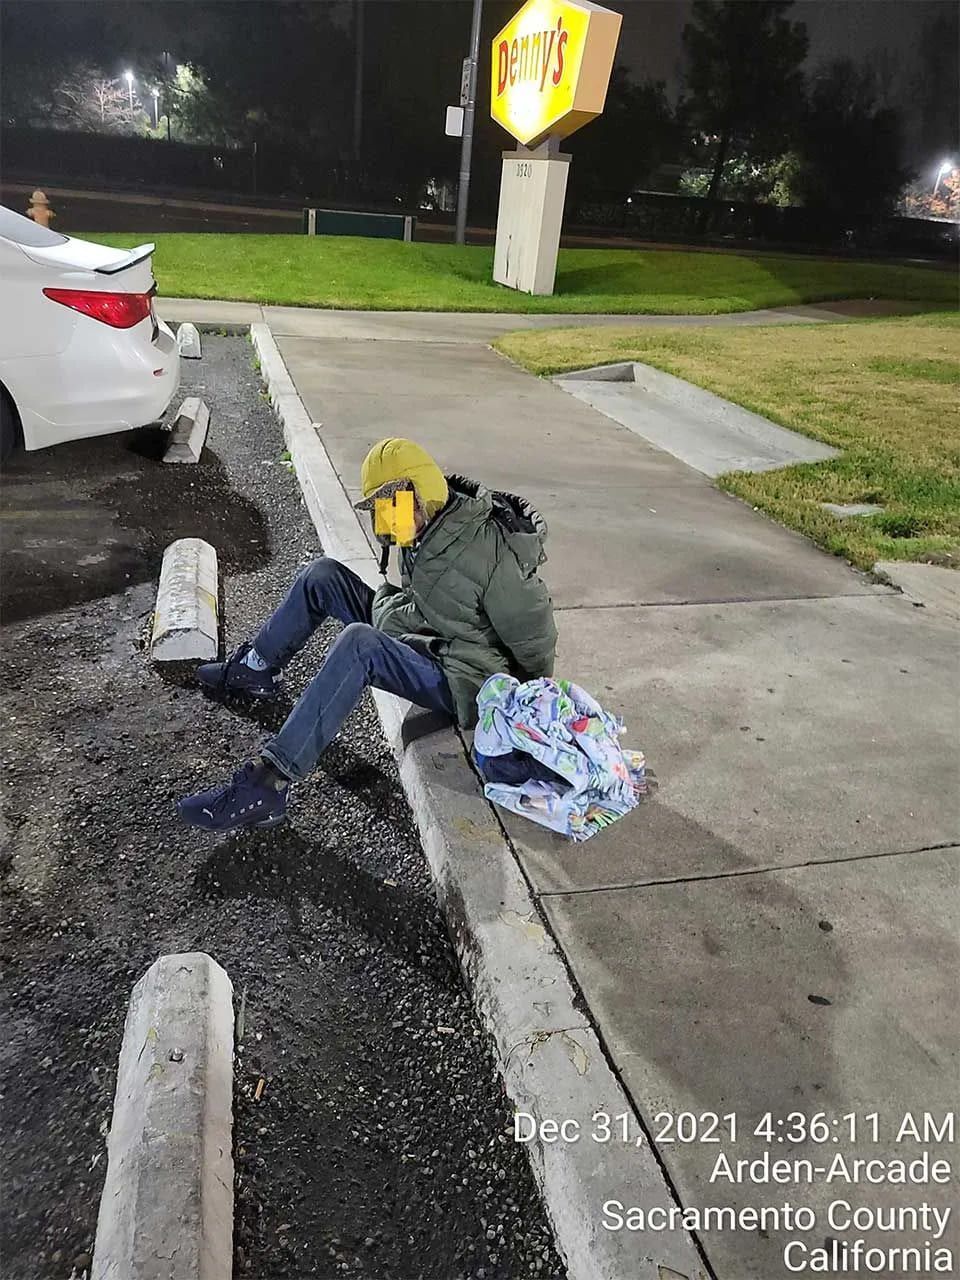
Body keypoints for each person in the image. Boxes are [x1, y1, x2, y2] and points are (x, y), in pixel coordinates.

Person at [177, 438, 557, 833]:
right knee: (323, 575)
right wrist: (398, 614)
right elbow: (427, 602)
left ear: (418, 494)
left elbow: (536, 633)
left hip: (465, 680)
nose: (383, 520)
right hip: (424, 638)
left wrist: (529, 705)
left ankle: (269, 784)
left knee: (360, 644)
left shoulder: (488, 552)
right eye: (379, 507)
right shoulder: (430, 525)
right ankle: (256, 667)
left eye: (388, 505)